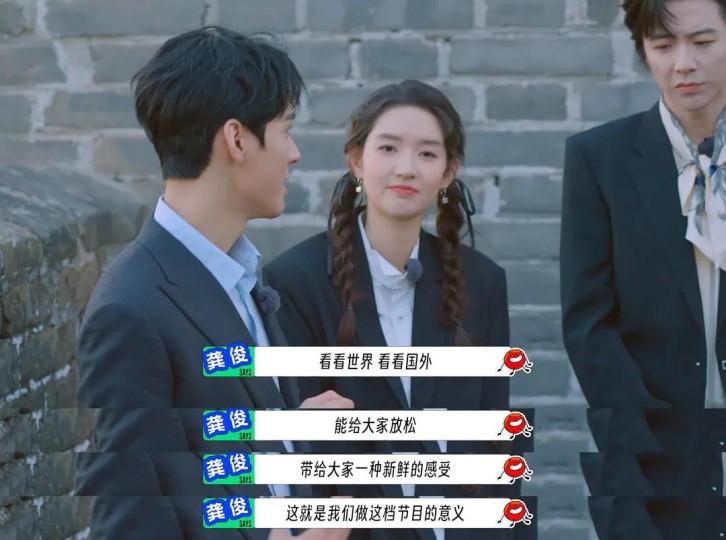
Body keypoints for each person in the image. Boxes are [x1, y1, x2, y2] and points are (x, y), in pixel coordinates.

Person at [74, 26, 351, 540]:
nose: (294, 153)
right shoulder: (130, 310)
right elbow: (132, 521)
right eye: (286, 130)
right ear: (237, 139)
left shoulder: (240, 278)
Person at [264, 80, 534, 540]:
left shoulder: (483, 280)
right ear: (356, 160)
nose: (406, 168)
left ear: (449, 172)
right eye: (388, 148)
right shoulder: (294, 280)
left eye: (427, 153)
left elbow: (498, 440)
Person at [560, 0, 726, 537]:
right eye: (663, 46)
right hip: (654, 450)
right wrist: (638, 430)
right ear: (644, 53)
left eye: (703, 42)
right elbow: (587, 320)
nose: (684, 63)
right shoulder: (600, 157)